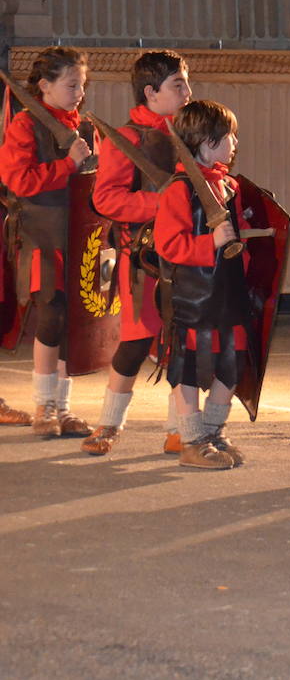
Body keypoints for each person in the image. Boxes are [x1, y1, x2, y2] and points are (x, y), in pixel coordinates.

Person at [84, 51, 193, 455]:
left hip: (184, 254)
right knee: (135, 340)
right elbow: (108, 199)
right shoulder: (128, 139)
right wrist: (165, 206)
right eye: (178, 85)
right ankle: (109, 425)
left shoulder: (188, 135)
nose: (187, 92)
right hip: (143, 260)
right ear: (151, 92)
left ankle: (179, 428)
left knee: (183, 340)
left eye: (186, 83)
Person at [0, 48, 97, 438]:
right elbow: (18, 181)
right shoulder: (25, 125)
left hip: (78, 237)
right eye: (72, 84)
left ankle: (63, 408)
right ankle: (44, 406)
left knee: (73, 321)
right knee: (51, 315)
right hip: (42, 236)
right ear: (44, 86)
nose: (79, 92)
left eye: (82, 85)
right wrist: (68, 165)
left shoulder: (84, 129)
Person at [154, 100, 252, 469]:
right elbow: (169, 245)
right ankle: (193, 439)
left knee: (232, 364)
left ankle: (213, 431)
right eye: (229, 136)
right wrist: (208, 243)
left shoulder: (227, 186)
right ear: (207, 143)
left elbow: (238, 241)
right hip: (195, 298)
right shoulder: (179, 190)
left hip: (228, 296)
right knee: (191, 367)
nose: (235, 143)